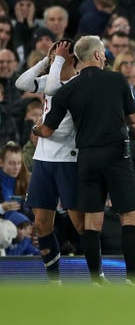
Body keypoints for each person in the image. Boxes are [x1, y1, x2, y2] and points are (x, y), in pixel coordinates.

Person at [33, 35, 135, 285]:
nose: (104, 57)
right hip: (117, 155)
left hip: (86, 158)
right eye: (103, 53)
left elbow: (47, 129)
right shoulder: (116, 79)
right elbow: (133, 119)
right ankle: (132, 278)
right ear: (96, 55)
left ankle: (96, 280)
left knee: (92, 220)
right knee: (129, 215)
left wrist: (34, 130)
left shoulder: (67, 89)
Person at [14, 40, 84, 283]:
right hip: (43, 160)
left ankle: (99, 273)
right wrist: (45, 60)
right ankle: (55, 281)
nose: (55, 59)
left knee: (82, 225)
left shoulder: (79, 85)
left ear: (71, 58)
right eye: (53, 56)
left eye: (59, 56)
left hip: (68, 161)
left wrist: (59, 61)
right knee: (42, 224)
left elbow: (55, 92)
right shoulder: (49, 78)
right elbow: (21, 83)